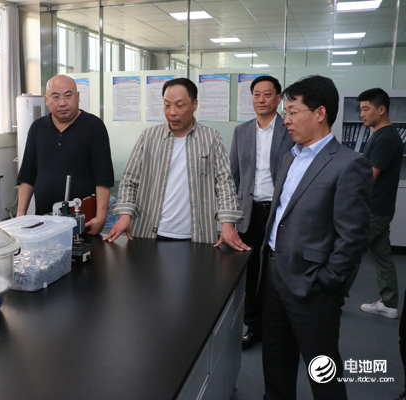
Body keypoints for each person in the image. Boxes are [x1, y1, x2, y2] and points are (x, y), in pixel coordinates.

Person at [260, 75, 372, 400]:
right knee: (275, 366)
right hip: (273, 278)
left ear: (320, 113)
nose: (286, 119)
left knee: (323, 375)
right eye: (286, 112)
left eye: (293, 112)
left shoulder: (349, 164)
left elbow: (352, 237)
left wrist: (327, 282)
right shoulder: (289, 156)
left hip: (312, 287)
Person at [104, 77, 249, 250]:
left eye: (180, 106)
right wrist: (125, 215)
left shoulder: (211, 138)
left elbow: (224, 183)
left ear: (194, 105)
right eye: (167, 105)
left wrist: (228, 223)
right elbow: (129, 180)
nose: (172, 112)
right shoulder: (149, 137)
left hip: (197, 236)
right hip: (149, 233)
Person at [230, 75, 294, 350]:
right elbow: (233, 176)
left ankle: (275, 324)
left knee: (275, 270)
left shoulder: (289, 128)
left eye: (267, 94)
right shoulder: (241, 131)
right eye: (257, 94)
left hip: (278, 212)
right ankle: (251, 323)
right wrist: (230, 216)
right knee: (248, 270)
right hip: (249, 212)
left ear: (278, 99)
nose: (261, 99)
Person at [17, 75, 114, 234]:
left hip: (84, 220)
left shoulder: (93, 126)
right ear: (47, 100)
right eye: (55, 97)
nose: (62, 103)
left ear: (78, 97)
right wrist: (20, 215)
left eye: (68, 96)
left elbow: (103, 176)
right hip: (44, 220)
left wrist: (101, 217)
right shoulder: (37, 128)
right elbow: (27, 174)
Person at [357, 88, 403, 319]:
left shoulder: (386, 137)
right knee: (382, 255)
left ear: (382, 109)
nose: (362, 114)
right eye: (361, 109)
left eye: (366, 109)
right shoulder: (380, 134)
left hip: (374, 209)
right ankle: (389, 304)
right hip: (380, 208)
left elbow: (370, 178)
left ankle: (330, 300)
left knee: (348, 253)